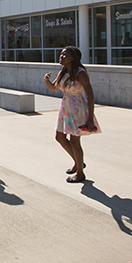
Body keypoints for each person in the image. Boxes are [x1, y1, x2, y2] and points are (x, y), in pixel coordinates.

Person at [44, 46, 101, 183]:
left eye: (65, 55)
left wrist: (90, 118)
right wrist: (46, 80)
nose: (61, 57)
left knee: (75, 142)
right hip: (66, 109)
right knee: (59, 137)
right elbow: (53, 88)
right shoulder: (63, 72)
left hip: (78, 110)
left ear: (73, 58)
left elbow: (91, 95)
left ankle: (80, 173)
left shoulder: (81, 74)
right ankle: (78, 162)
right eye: (61, 54)